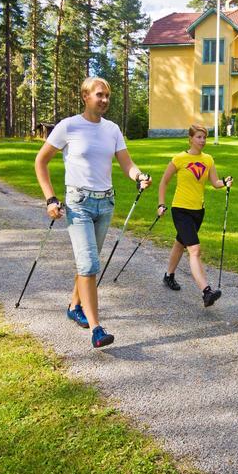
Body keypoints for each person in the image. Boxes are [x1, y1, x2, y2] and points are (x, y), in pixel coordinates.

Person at [35, 77, 152, 348]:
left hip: (106, 204)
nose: (105, 100)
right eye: (100, 95)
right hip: (79, 204)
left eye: (108, 96)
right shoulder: (69, 126)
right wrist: (50, 198)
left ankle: (74, 305)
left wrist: (139, 176)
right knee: (88, 265)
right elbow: (41, 162)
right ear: (85, 96)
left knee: (88, 262)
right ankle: (96, 328)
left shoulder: (112, 129)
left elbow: (127, 163)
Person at [157, 124, 232, 307]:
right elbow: (164, 182)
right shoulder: (179, 159)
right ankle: (206, 291)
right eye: (199, 137)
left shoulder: (208, 159)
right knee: (194, 250)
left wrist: (225, 182)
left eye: (204, 138)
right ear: (190, 139)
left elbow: (214, 182)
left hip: (198, 211)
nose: (202, 141)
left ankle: (169, 276)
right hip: (180, 209)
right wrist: (161, 204)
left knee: (180, 243)